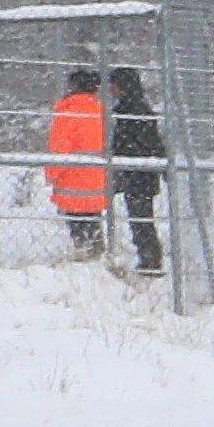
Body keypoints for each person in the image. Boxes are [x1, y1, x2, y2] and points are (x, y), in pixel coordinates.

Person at [103, 59, 172, 278]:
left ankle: (150, 259)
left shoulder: (130, 111)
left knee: (141, 219)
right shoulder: (139, 108)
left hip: (137, 174)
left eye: (113, 84)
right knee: (141, 219)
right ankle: (149, 257)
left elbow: (131, 143)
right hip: (141, 173)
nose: (111, 89)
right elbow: (154, 143)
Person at [44, 67, 113, 260]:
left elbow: (60, 148)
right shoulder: (101, 111)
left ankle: (85, 258)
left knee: (78, 229)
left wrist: (52, 174)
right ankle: (98, 258)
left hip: (72, 183)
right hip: (97, 183)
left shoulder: (67, 112)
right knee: (93, 223)